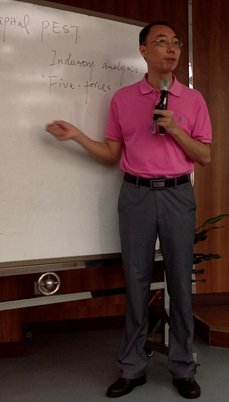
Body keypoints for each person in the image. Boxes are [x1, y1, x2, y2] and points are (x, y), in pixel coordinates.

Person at [46, 21, 212, 399]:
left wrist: (175, 129)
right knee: (136, 283)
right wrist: (76, 136)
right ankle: (132, 367)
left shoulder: (193, 100)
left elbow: (204, 156)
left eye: (175, 42)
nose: (171, 48)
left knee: (180, 284)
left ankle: (183, 367)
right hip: (135, 195)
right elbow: (110, 154)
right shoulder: (123, 99)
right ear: (143, 50)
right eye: (161, 42)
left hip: (177, 195)